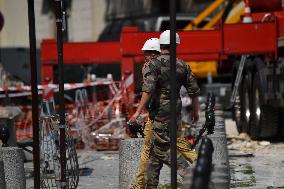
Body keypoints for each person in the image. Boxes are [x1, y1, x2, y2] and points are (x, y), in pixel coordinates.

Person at [130, 31, 199, 188]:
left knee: (160, 149)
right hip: (175, 112)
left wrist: (138, 111)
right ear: (176, 45)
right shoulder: (182, 65)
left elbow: (148, 90)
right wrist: (196, 111)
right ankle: (149, 186)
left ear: (160, 45)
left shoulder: (153, 64)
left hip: (159, 113)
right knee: (153, 152)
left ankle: (193, 175)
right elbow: (194, 90)